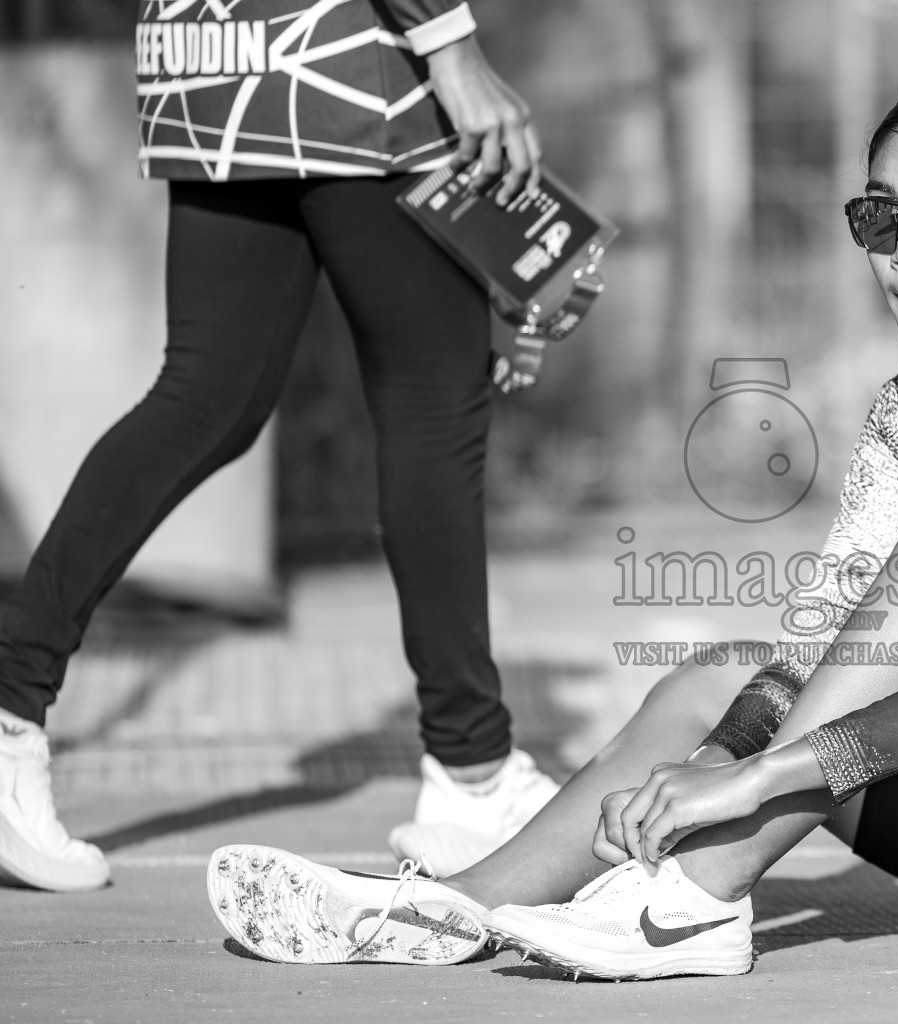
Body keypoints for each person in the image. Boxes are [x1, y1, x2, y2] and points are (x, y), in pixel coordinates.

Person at [203, 72, 898, 977]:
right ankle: (456, 910)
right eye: (880, 214)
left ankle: (698, 902)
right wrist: (717, 752)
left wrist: (753, 787)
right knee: (728, 678)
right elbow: (825, 643)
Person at [0, 1, 559, 894]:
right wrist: (450, 44)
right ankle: (473, 772)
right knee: (432, 404)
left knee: (207, 396)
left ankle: (9, 696)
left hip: (214, 61)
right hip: (352, 67)